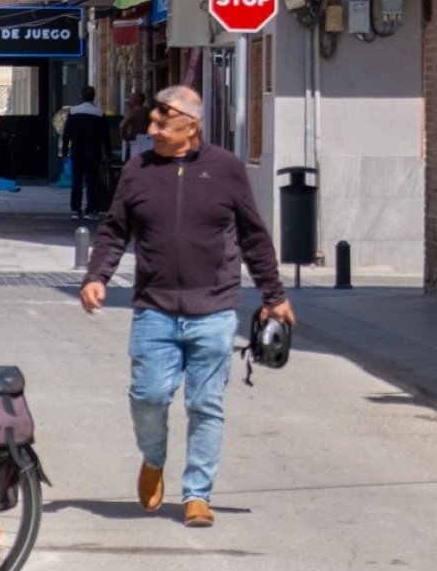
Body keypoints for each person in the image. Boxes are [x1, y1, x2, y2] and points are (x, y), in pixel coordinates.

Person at [79, 85, 295, 528]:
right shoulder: (138, 170)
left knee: (205, 404)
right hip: (153, 309)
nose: (152, 129)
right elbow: (115, 229)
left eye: (162, 122)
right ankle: (153, 459)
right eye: (152, 121)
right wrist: (96, 276)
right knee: (149, 396)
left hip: (213, 311)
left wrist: (274, 296)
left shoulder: (225, 170)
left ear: (190, 127)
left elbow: (254, 235)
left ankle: (197, 493)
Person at [61, 86, 110, 220]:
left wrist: (64, 150)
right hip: (94, 153)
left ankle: (75, 210)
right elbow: (106, 136)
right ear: (93, 97)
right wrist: (108, 154)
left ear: (81, 96)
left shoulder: (73, 112)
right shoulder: (99, 113)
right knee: (91, 182)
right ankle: (91, 209)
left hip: (77, 151)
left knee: (76, 182)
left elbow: (67, 133)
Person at [118, 90, 151, 163]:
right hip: (148, 143)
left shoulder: (133, 112)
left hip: (134, 141)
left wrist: (125, 137)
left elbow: (122, 126)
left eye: (131, 99)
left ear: (136, 100)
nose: (130, 101)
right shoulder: (148, 112)